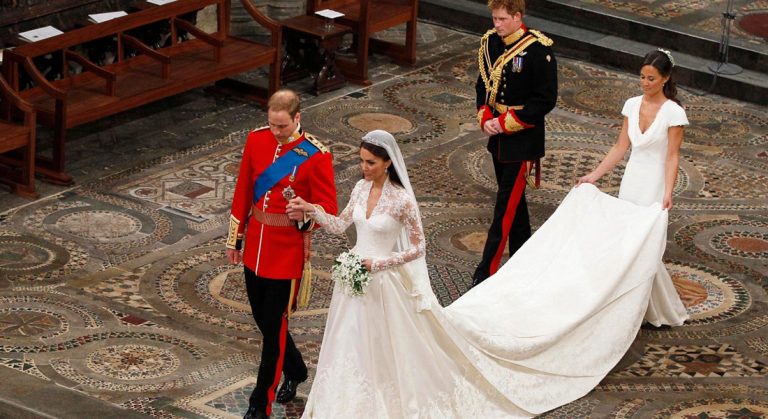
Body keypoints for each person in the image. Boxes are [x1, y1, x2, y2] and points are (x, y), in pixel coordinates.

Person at [226, 89, 337, 419]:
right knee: (264, 321)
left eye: (283, 126)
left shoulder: (316, 155)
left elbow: (328, 209)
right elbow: (243, 189)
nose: (276, 132)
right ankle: (297, 369)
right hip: (256, 247)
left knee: (273, 332)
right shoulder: (256, 140)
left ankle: (259, 404)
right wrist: (235, 239)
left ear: (297, 118)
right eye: (272, 124)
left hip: (287, 254)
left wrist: (305, 213)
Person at [578, 48, 689, 326]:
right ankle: (634, 307)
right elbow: (620, 147)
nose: (645, 83)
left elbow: (672, 156)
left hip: (655, 184)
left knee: (644, 245)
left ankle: (642, 309)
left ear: (665, 78)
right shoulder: (631, 104)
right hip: (632, 180)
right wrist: (594, 175)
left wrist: (668, 192)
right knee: (628, 242)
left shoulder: (674, 113)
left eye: (651, 79)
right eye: (642, 77)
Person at [473, 0, 558, 286]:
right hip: (498, 138)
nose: (496, 24)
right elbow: (483, 85)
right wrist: (486, 116)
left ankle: (485, 274)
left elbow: (545, 100)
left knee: (504, 209)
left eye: (502, 19)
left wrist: (506, 122)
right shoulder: (490, 43)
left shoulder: (538, 51)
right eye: (494, 18)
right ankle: (525, 262)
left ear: (518, 17)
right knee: (515, 206)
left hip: (522, 139)